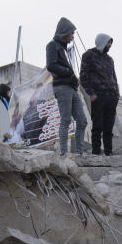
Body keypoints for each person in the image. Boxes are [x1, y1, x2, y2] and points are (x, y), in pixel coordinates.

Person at [46, 17, 87, 155]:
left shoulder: (65, 50)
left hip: (71, 88)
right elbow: (51, 65)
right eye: (72, 33)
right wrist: (68, 72)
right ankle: (64, 153)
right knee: (65, 119)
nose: (73, 36)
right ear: (65, 32)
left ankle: (79, 153)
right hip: (62, 87)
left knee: (82, 121)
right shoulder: (52, 45)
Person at [80, 33, 120, 156]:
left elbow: (114, 77)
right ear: (102, 42)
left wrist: (116, 94)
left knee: (109, 128)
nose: (110, 45)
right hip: (98, 96)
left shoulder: (110, 59)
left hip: (111, 97)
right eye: (108, 43)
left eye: (110, 43)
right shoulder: (88, 55)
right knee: (97, 127)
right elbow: (83, 76)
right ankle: (96, 153)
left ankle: (108, 153)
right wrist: (91, 93)